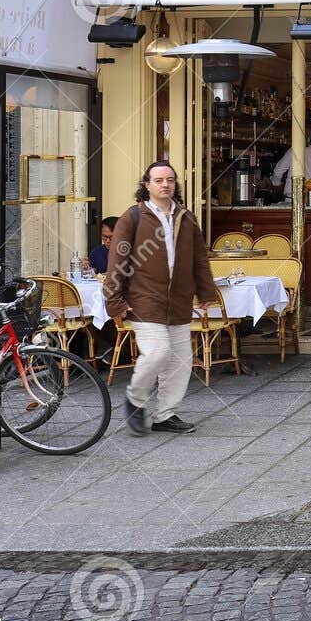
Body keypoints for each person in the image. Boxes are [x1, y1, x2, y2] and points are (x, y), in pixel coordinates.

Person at [103, 161, 222, 437]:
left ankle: (165, 415)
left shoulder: (186, 217)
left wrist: (206, 292)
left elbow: (199, 258)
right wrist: (115, 300)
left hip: (179, 300)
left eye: (170, 180)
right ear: (147, 185)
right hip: (144, 298)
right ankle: (136, 397)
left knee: (180, 360)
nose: (165, 184)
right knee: (158, 352)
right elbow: (117, 260)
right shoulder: (132, 217)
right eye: (158, 180)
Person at [271, 126, 311, 200]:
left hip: (291, 199)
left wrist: (277, 184)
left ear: (310, 139)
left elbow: (278, 171)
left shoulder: (294, 150)